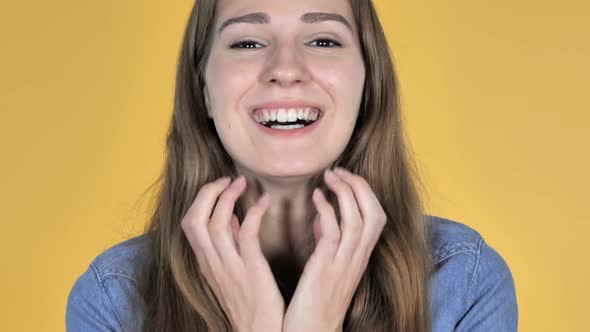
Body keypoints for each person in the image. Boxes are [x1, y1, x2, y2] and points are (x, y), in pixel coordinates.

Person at [66, 0, 518, 331]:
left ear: (368, 83)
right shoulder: (113, 302)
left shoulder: (463, 283)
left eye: (323, 39)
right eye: (247, 41)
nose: (285, 68)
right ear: (203, 88)